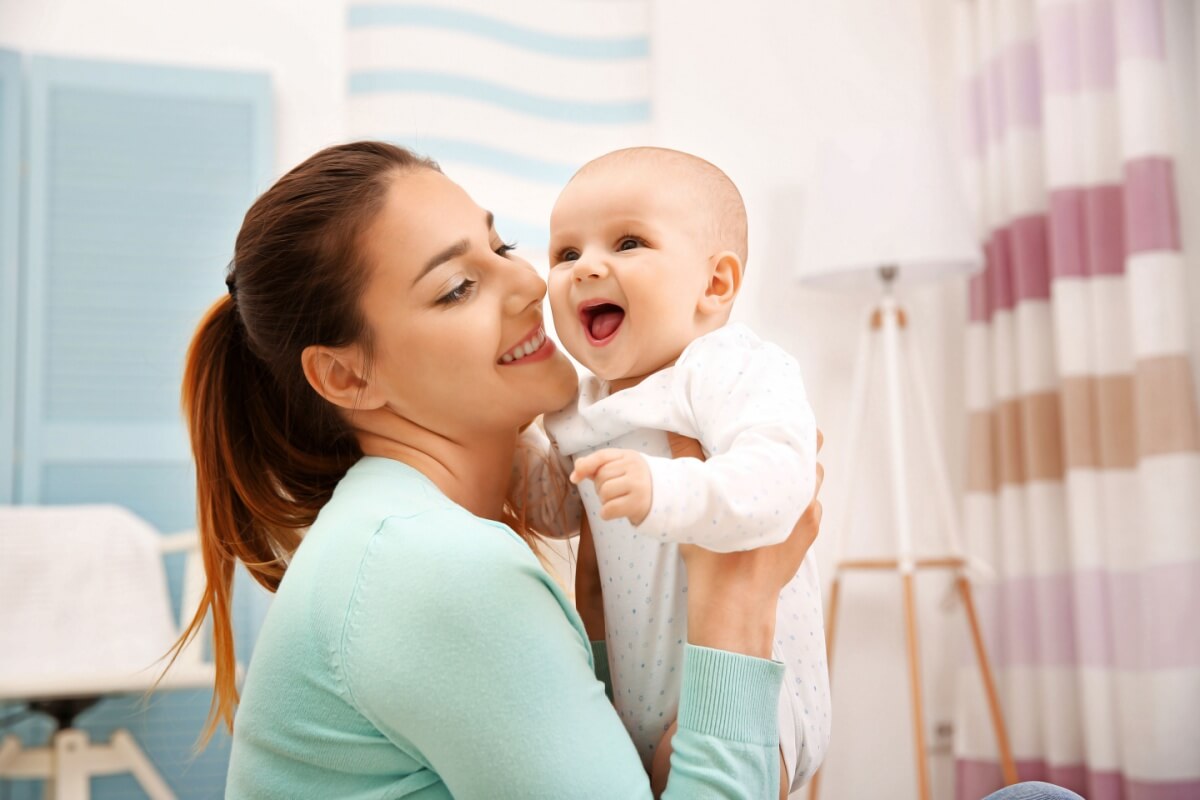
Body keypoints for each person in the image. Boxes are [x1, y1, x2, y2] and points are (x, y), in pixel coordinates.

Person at [175, 139, 1088, 800]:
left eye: (499, 247)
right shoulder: (433, 568)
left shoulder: (413, 528)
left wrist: (608, 641)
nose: (537, 282)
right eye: (458, 286)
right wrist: (735, 603)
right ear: (346, 375)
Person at [529, 147, 827, 798]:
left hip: (753, 686)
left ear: (714, 285)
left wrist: (668, 489)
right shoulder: (581, 404)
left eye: (628, 241)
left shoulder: (723, 367)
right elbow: (554, 512)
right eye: (565, 253)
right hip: (633, 690)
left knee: (684, 761)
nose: (587, 268)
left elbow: (780, 479)